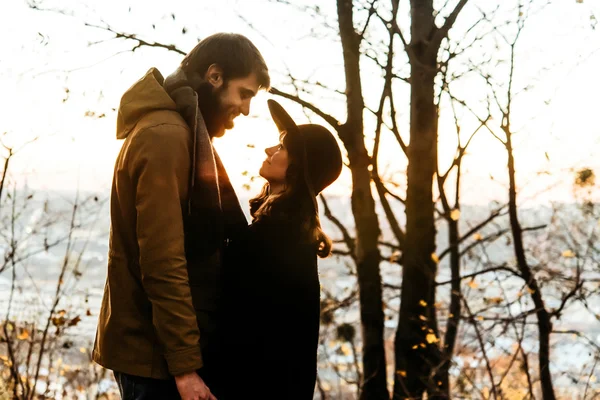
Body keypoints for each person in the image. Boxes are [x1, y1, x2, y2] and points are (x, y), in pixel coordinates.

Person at [92, 33, 270, 400]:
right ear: (215, 76)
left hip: (160, 356)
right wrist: (186, 368)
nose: (247, 108)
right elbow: (163, 262)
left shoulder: (177, 131)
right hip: (158, 361)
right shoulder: (166, 137)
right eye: (245, 93)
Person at [219, 99, 343, 399]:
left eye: (282, 147)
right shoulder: (284, 231)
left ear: (298, 167)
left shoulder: (278, 238)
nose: (268, 151)